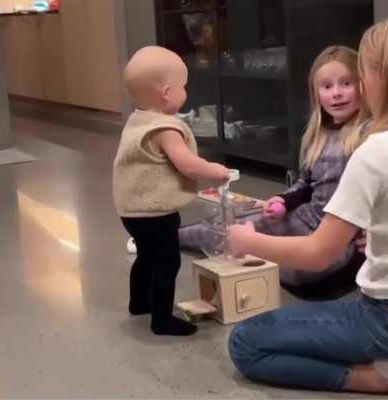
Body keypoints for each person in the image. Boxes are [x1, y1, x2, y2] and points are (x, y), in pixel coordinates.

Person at [227, 20, 388, 393]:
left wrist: (246, 242)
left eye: (358, 75)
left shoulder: (373, 152)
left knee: (246, 342)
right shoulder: (335, 141)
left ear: (375, 79)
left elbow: (319, 254)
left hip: (380, 318)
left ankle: (374, 379)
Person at [177, 45, 369, 291]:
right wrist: (283, 201)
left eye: (346, 83)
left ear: (363, 85)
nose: (337, 94)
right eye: (327, 86)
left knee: (302, 272)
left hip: (342, 235)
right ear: (316, 93)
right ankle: (168, 238)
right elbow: (305, 184)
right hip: (307, 218)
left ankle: (256, 258)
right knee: (232, 223)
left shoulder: (369, 135)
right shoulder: (317, 136)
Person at [113, 46, 229, 336]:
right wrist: (216, 171)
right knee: (168, 260)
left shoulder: (138, 119)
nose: (185, 92)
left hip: (131, 210)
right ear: (167, 92)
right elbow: (187, 164)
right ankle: (162, 320)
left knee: (146, 257)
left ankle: (139, 303)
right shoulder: (165, 128)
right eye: (183, 87)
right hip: (155, 212)